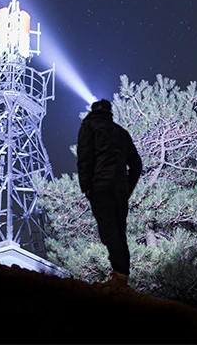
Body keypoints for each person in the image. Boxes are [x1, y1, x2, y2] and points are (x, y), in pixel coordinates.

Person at [77, 99, 142, 289]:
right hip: (120, 188)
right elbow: (137, 164)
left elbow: (85, 157)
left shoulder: (89, 126)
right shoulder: (121, 132)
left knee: (108, 230)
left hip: (100, 185)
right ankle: (122, 275)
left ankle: (119, 276)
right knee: (119, 230)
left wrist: (86, 185)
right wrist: (127, 189)